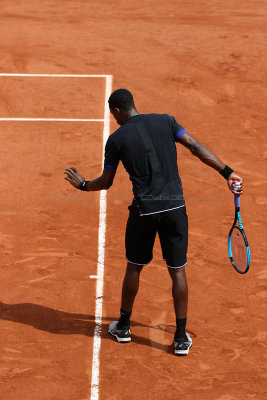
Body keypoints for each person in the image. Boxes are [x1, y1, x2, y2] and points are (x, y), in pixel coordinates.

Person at [64, 88, 243, 356]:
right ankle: (181, 338)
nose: (114, 119)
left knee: (134, 268)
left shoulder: (116, 139)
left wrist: (83, 185)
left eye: (113, 115)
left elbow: (106, 181)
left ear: (116, 111)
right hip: (175, 209)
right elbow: (194, 146)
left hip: (144, 212)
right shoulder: (167, 121)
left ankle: (123, 327)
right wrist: (227, 173)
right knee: (178, 271)